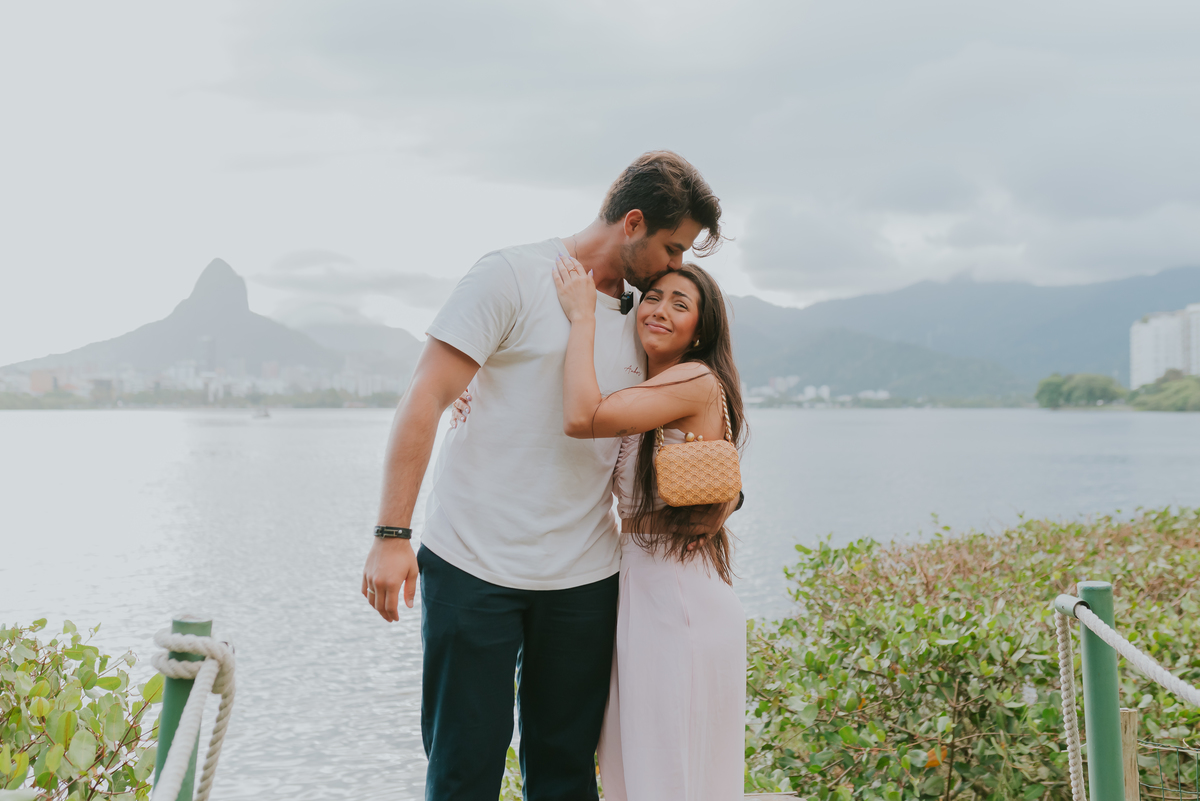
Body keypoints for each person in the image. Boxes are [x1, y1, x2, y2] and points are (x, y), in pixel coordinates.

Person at [360, 151, 722, 801]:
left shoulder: (647, 320)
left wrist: (715, 503)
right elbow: (426, 394)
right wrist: (392, 532)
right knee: (462, 772)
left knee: (563, 778)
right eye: (673, 248)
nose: (678, 266)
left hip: (583, 581)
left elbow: (686, 419)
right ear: (633, 223)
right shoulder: (511, 275)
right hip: (472, 567)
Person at [555, 256, 747, 800]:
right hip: (642, 586)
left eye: (679, 305)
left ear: (701, 330)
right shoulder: (647, 387)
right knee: (640, 758)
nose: (659, 310)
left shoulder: (695, 378)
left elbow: (579, 417)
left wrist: (582, 317)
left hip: (679, 595)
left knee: (665, 763)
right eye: (653, 297)